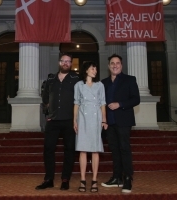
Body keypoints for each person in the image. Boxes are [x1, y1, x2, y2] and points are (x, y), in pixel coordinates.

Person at [35, 53, 79, 190]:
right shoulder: (51, 79)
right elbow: (45, 99)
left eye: (68, 61)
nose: (65, 63)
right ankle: (49, 179)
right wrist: (47, 114)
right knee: (48, 149)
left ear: (71, 64)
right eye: (63, 61)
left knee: (69, 150)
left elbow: (80, 100)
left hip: (69, 121)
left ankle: (65, 179)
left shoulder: (76, 80)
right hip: (52, 121)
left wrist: (77, 119)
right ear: (59, 63)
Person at [101, 54, 140, 193]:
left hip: (124, 120)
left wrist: (120, 104)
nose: (115, 65)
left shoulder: (129, 80)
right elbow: (101, 103)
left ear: (121, 65)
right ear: (109, 66)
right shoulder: (103, 83)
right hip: (109, 122)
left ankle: (128, 178)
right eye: (112, 63)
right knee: (114, 150)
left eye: (117, 63)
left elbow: (136, 99)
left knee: (124, 149)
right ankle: (117, 177)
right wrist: (103, 119)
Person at [73, 61, 108, 193]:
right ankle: (82, 179)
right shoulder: (78, 85)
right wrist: (74, 121)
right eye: (93, 68)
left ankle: (94, 180)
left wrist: (104, 120)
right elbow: (76, 103)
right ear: (86, 70)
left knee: (95, 150)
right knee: (82, 150)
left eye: (96, 69)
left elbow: (103, 103)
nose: (95, 71)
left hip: (96, 117)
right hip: (82, 117)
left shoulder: (100, 85)